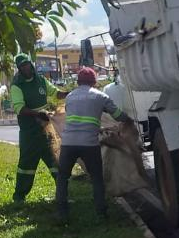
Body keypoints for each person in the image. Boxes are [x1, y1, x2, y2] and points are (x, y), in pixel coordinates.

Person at [56, 66, 130, 222]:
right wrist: (129, 120)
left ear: (78, 82)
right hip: (89, 144)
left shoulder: (69, 97)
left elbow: (77, 118)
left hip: (68, 143)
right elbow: (117, 115)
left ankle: (62, 213)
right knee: (96, 178)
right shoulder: (100, 97)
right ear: (94, 82)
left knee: (62, 177)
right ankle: (101, 213)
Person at [10, 53, 58, 203]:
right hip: (29, 133)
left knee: (55, 160)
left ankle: (62, 193)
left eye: (27, 64)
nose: (25, 68)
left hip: (46, 130)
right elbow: (20, 108)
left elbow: (55, 92)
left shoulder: (41, 80)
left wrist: (71, 94)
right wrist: (38, 114)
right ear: (19, 68)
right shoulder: (17, 85)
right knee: (26, 165)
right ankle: (19, 196)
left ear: (31, 64)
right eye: (22, 66)